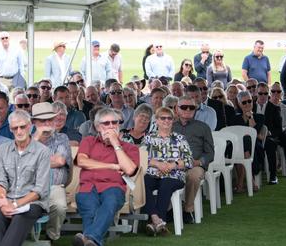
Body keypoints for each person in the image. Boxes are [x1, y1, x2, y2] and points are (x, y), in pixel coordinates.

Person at [74, 108, 139, 246]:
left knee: (110, 203)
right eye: (106, 123)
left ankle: (87, 237)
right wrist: (112, 166)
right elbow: (81, 161)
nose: (111, 126)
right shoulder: (88, 141)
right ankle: (93, 241)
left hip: (113, 187)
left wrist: (116, 144)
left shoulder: (129, 148)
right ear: (98, 127)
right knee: (90, 210)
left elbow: (129, 169)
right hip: (88, 186)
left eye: (114, 122)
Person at [0, 111, 50, 246]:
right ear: (10, 129)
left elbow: (40, 190)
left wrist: (16, 204)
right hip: (7, 198)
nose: (19, 131)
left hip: (33, 202)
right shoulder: (2, 150)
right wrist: (2, 200)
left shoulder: (42, 152)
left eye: (22, 127)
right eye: (15, 128)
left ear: (30, 126)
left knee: (19, 218)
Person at [143, 107, 193, 235]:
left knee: (166, 183)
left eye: (169, 118)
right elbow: (141, 157)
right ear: (157, 121)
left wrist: (172, 165)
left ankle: (157, 221)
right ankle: (157, 220)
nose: (166, 121)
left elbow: (189, 161)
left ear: (173, 120)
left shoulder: (180, 139)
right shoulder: (149, 138)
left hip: (175, 175)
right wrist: (158, 164)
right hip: (154, 173)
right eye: (162, 118)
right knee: (143, 182)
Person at [31, 102, 71, 242]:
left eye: (50, 119)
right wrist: (36, 139)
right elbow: (21, 162)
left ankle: (51, 236)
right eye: (43, 120)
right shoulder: (26, 139)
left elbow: (60, 161)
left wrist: (34, 162)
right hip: (29, 186)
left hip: (54, 186)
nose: (48, 123)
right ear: (34, 122)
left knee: (59, 206)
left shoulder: (62, 138)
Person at [173, 96, 214, 222]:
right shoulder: (170, 126)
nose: (188, 110)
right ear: (177, 109)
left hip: (195, 165)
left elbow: (210, 153)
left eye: (191, 107)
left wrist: (199, 162)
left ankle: (188, 210)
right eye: (184, 107)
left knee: (193, 175)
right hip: (173, 165)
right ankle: (168, 209)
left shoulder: (203, 127)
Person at [254, 82, 286, 181]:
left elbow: (278, 128)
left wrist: (269, 133)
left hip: (270, 136)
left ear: (268, 94)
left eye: (265, 93)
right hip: (254, 136)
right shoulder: (251, 106)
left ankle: (273, 175)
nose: (263, 96)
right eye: (260, 93)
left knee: (273, 143)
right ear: (256, 93)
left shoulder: (275, 108)